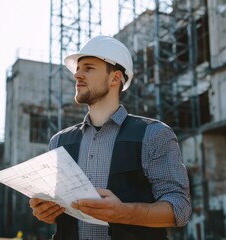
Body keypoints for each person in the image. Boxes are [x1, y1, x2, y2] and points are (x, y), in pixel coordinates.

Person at [29, 35, 191, 240]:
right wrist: (45, 211)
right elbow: (57, 209)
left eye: (88, 68)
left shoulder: (154, 134)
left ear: (115, 78)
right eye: (77, 69)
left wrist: (123, 212)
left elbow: (180, 208)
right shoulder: (59, 142)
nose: (77, 75)